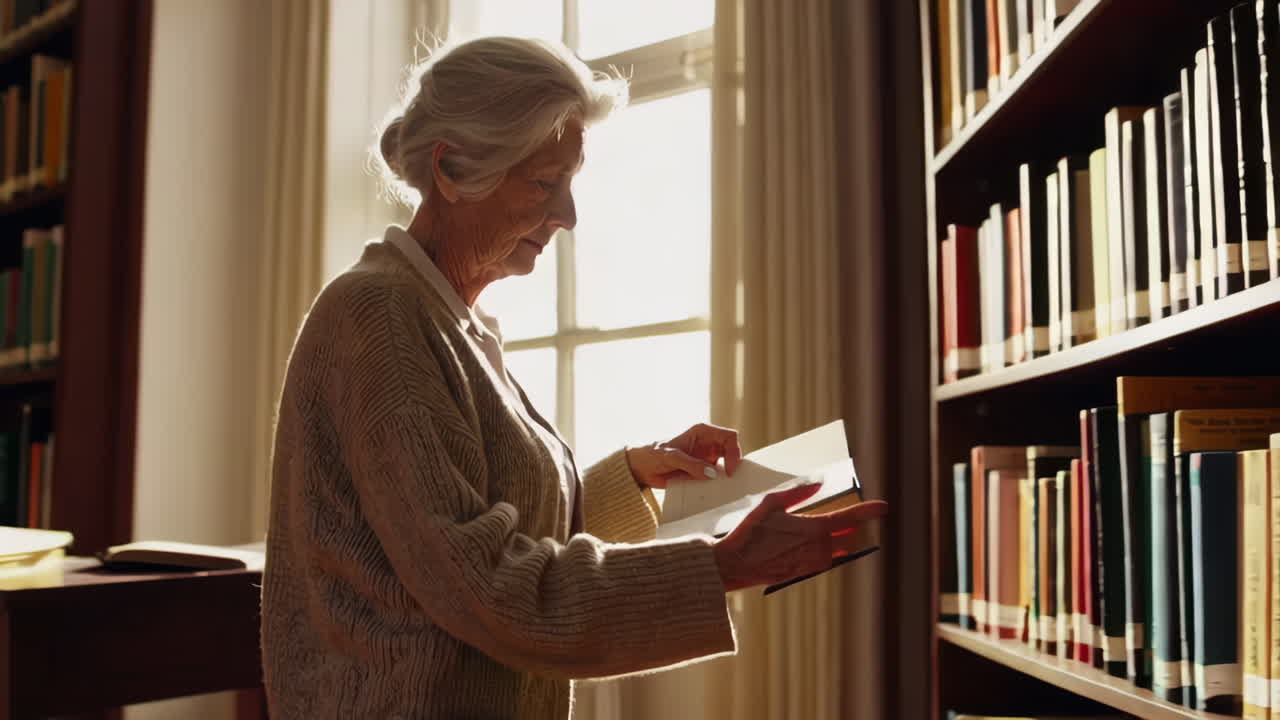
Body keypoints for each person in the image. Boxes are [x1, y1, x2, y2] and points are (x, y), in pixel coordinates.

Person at [261, 36, 887, 720]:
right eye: (543, 183)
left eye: (569, 183)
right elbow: (488, 589)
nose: (568, 215)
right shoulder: (377, 316)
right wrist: (721, 568)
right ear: (450, 171)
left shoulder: (452, 323)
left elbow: (478, 533)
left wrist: (633, 481)